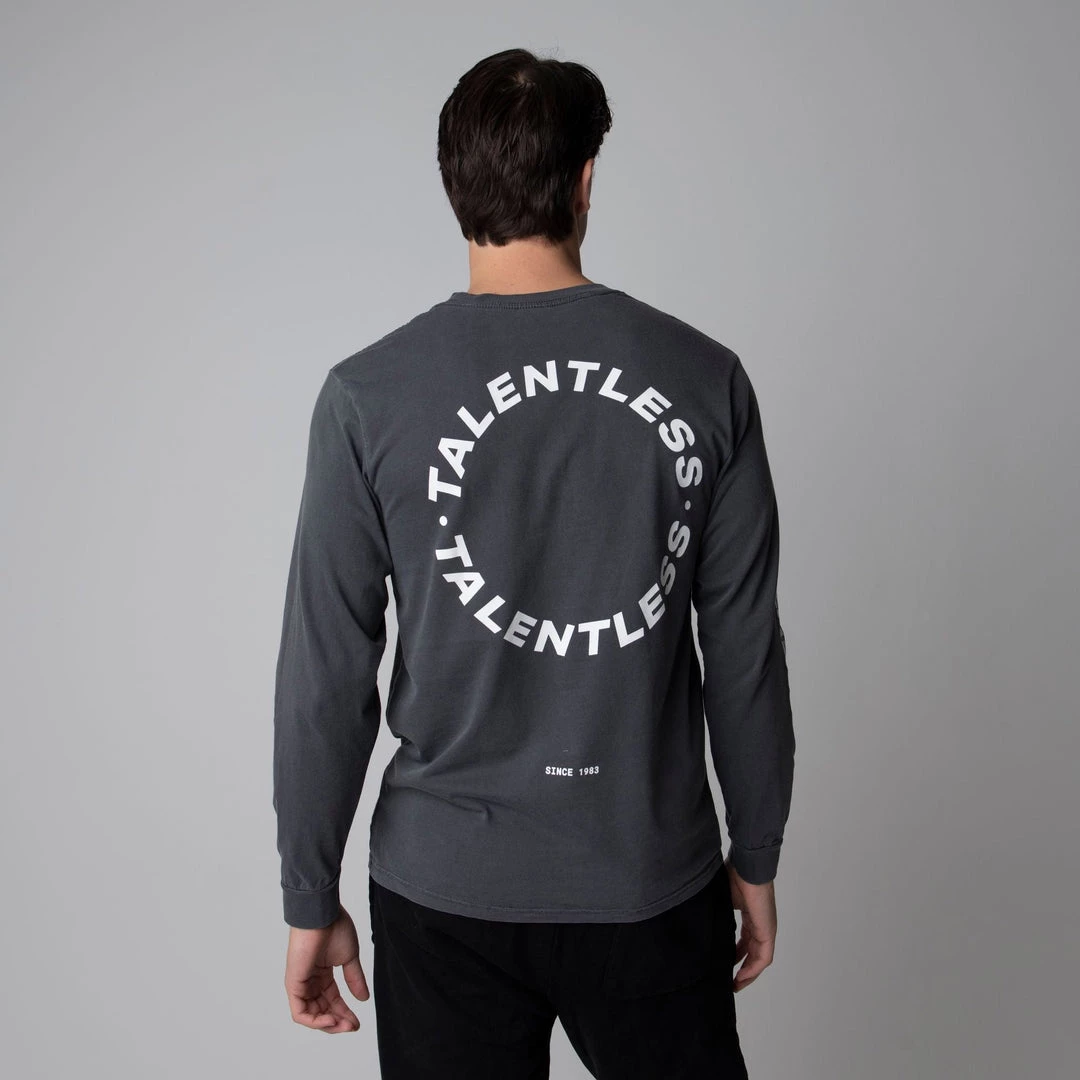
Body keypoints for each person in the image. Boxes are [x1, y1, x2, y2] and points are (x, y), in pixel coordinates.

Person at [272, 46, 795, 1079]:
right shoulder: (706, 379)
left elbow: (325, 676)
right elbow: (743, 653)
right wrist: (757, 851)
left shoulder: (367, 396)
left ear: (452, 185)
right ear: (586, 179)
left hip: (443, 889)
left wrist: (308, 894)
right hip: (648, 877)